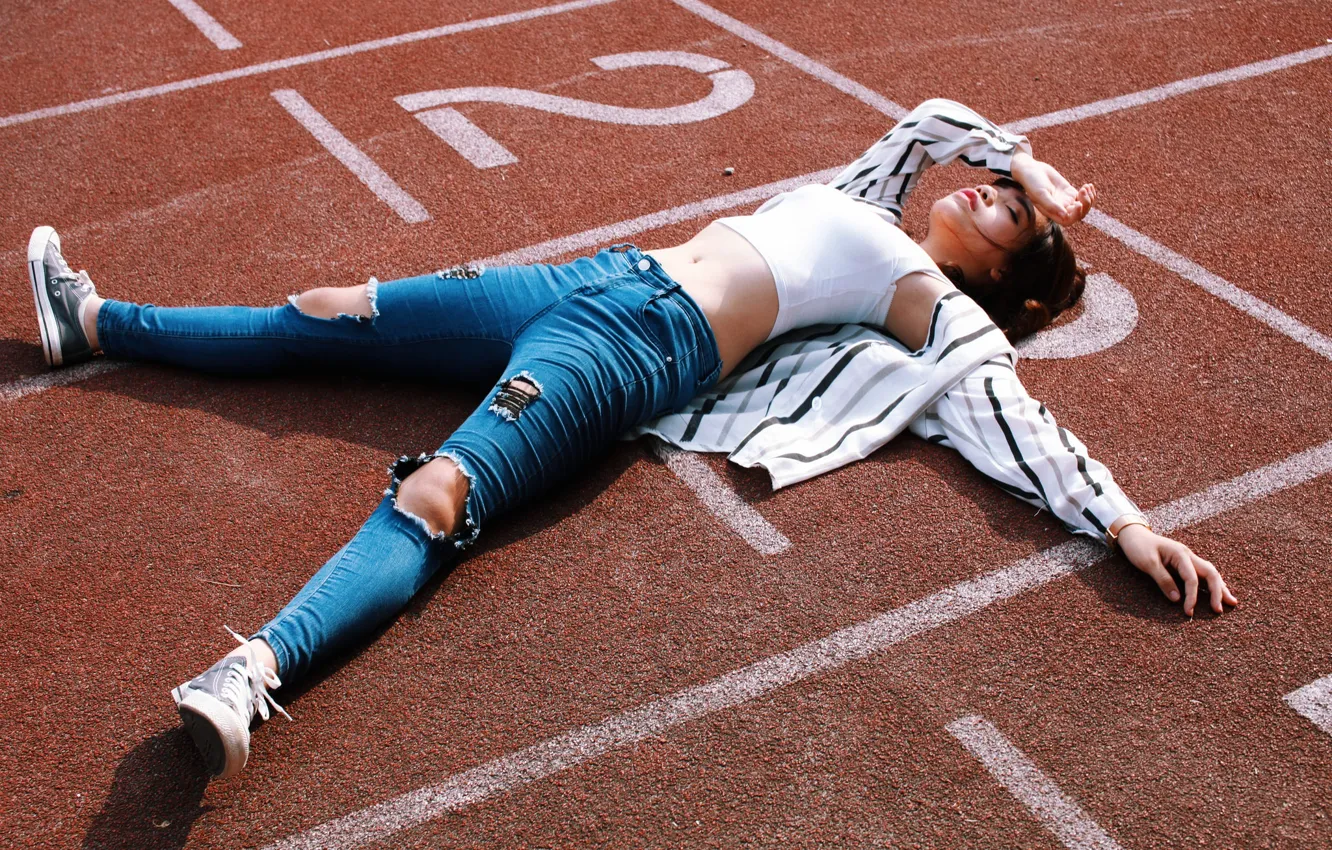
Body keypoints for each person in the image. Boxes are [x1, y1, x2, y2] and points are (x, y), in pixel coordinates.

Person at [26, 98, 1236, 780]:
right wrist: (1032, 160)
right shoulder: (874, 201)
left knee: (442, 495)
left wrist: (1125, 522)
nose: (987, 195)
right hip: (598, 281)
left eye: (1011, 215)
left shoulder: (929, 301)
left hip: (631, 352)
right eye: (1000, 187)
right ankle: (92, 320)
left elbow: (1010, 415)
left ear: (1005, 274)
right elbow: (930, 122)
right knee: (324, 314)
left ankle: (257, 671)